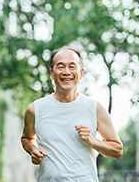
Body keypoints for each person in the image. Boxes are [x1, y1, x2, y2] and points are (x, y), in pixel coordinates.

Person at [21, 46, 123, 182]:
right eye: (60, 66)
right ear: (52, 73)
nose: (66, 72)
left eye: (72, 66)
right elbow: (26, 138)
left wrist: (93, 140)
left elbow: (117, 150)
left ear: (81, 73)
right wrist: (33, 149)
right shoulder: (35, 109)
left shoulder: (95, 108)